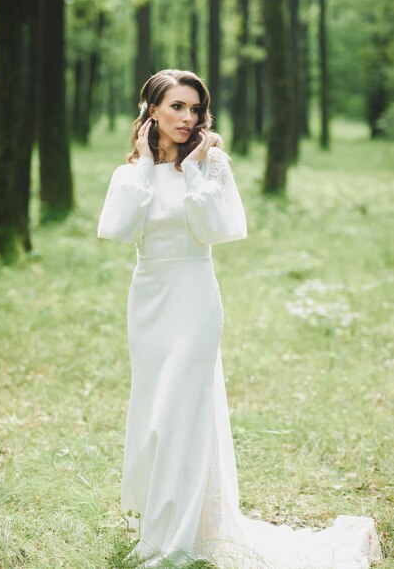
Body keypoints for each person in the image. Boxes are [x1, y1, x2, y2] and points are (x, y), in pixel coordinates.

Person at [97, 69, 382, 569]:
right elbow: (118, 229)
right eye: (176, 107)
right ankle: (157, 527)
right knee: (156, 411)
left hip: (195, 297)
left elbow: (219, 231)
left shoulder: (213, 165)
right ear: (151, 112)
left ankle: (184, 540)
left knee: (186, 408)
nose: (187, 118)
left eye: (194, 108)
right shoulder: (129, 173)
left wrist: (194, 172)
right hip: (148, 300)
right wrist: (146, 164)